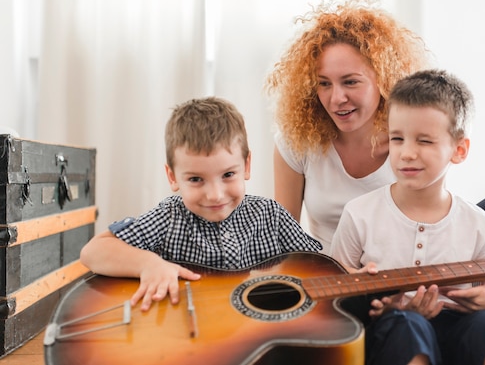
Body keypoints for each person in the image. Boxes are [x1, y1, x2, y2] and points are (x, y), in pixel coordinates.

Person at [265, 0, 485, 365]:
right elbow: (284, 242)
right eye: (323, 84)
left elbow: (443, 218)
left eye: (350, 82)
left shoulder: (412, 135)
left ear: (383, 77)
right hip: (354, 275)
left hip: (425, 255)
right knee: (408, 325)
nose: (336, 98)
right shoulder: (299, 145)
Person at [331, 69, 485, 365]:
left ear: (459, 149)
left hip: (458, 332)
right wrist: (384, 308)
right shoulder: (359, 214)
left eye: (424, 141)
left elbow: (478, 298)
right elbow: (338, 296)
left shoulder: (479, 224)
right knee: (408, 326)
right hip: (393, 335)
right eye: (397, 139)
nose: (407, 153)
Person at [80, 96, 322, 311]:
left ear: (246, 166)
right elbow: (92, 252)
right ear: (173, 177)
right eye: (196, 179)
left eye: (228, 175)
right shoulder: (169, 217)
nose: (215, 195)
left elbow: (319, 268)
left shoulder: (272, 215)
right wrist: (148, 264)